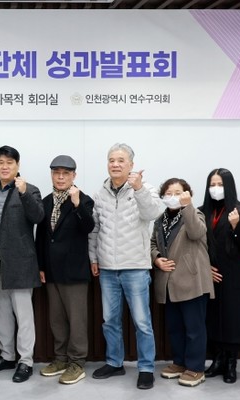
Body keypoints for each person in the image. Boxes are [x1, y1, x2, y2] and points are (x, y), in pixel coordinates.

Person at [88, 143, 163, 390]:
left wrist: (138, 189)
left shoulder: (144, 188)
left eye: (121, 160)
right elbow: (95, 230)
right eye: (111, 160)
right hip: (107, 268)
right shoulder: (100, 194)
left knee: (142, 322)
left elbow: (153, 213)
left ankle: (146, 368)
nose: (115, 164)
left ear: (131, 164)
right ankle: (114, 362)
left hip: (136, 267)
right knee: (110, 320)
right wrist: (94, 258)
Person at [0, 145, 44, 383]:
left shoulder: (29, 189)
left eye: (10, 162)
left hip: (21, 264)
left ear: (18, 165)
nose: (5, 166)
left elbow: (38, 217)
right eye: (1, 162)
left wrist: (24, 193)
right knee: (2, 314)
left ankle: (25, 361)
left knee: (24, 317)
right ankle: (6, 356)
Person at [35, 155, 95, 385]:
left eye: (65, 173)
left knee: (77, 320)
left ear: (74, 176)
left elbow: (88, 226)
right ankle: (60, 359)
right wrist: (41, 265)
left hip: (74, 272)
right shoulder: (45, 201)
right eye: (56, 173)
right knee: (57, 319)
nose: (60, 177)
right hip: (51, 271)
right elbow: (41, 237)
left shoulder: (84, 200)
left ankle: (77, 362)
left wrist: (77, 204)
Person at [151, 178, 214, 387]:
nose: (173, 197)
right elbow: (152, 243)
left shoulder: (195, 214)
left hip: (192, 282)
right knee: (175, 327)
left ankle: (196, 368)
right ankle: (179, 363)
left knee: (194, 328)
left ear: (187, 194)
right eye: (168, 193)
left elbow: (196, 233)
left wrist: (187, 206)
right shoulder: (160, 220)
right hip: (169, 283)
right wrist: (156, 258)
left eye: (178, 192)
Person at [199, 169, 240, 384]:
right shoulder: (202, 211)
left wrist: (236, 226)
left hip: (234, 274)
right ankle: (218, 359)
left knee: (232, 318)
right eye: (212, 185)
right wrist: (205, 268)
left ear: (229, 186)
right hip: (209, 273)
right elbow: (195, 245)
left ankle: (231, 362)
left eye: (220, 184)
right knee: (213, 317)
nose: (215, 189)